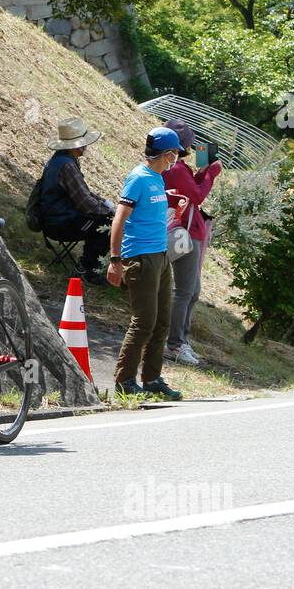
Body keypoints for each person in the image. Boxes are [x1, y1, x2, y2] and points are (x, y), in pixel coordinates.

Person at [106, 127, 183, 400]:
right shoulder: (138, 178)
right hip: (140, 258)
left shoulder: (157, 179)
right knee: (144, 322)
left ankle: (151, 379)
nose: (176, 159)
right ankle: (124, 381)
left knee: (162, 321)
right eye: (175, 154)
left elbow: (150, 214)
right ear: (167, 154)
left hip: (160, 256)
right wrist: (115, 260)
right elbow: (119, 220)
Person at [161, 122, 221, 366]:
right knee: (185, 291)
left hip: (189, 229)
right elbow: (196, 195)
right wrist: (210, 173)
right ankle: (174, 343)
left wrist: (202, 174)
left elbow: (191, 189)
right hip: (185, 232)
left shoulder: (176, 168)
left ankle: (180, 340)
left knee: (192, 291)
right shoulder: (176, 169)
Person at [37, 117, 115, 285]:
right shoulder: (67, 165)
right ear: (76, 145)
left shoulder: (60, 160)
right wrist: (110, 212)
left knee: (103, 217)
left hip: (54, 219)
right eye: (83, 143)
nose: (85, 146)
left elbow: (83, 193)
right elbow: (85, 203)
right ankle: (87, 269)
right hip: (60, 223)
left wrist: (103, 202)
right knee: (106, 224)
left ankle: (87, 266)